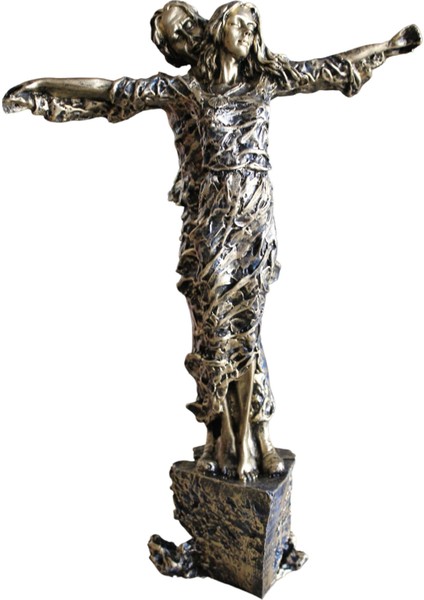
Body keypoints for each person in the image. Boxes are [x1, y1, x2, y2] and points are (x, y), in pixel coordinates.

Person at [3, 2, 421, 481]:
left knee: (245, 327)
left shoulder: (264, 81)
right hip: (209, 225)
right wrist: (40, 90)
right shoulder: (183, 92)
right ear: (213, 31)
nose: (246, 31)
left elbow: (329, 69)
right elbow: (111, 93)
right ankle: (223, 435)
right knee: (215, 330)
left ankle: (246, 441)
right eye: (176, 33)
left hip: (255, 224)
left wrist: (388, 47)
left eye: (189, 23)